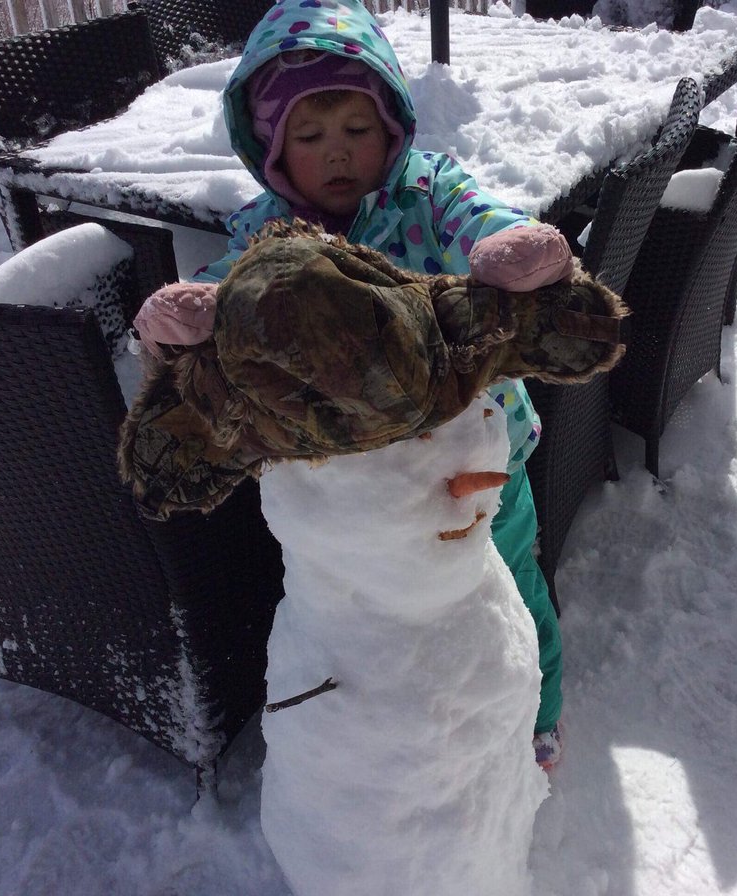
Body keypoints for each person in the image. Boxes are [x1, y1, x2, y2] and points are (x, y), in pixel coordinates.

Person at [132, 0, 568, 769]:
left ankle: (537, 709)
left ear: (392, 128)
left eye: (357, 132)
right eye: (310, 136)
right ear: (272, 147)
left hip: (473, 459)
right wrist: (201, 306)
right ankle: (409, 717)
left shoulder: (426, 191)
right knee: (382, 604)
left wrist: (501, 245)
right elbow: (236, 280)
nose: (338, 154)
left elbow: (478, 214)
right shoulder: (270, 230)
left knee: (507, 577)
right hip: (355, 480)